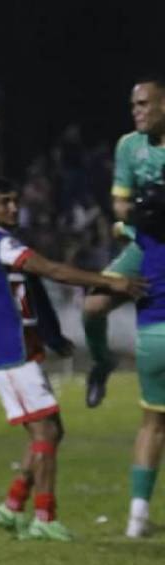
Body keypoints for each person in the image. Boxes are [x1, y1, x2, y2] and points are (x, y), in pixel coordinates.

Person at [0, 177, 143, 541]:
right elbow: (50, 270)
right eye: (5, 202)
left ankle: (14, 505)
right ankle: (44, 518)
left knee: (50, 430)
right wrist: (110, 282)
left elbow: (31, 287)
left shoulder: (3, 243)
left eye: (16, 200)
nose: (14, 207)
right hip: (10, 354)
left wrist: (50, 335)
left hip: (22, 351)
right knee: (46, 431)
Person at [81, 76, 165, 407]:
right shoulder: (129, 146)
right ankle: (102, 363)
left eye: (143, 104)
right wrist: (139, 211)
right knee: (93, 307)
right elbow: (119, 204)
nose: (136, 112)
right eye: (133, 106)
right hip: (145, 245)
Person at [119, 176, 165, 536]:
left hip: (151, 336)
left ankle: (137, 518)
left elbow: (123, 222)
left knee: (152, 424)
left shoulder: (142, 239)